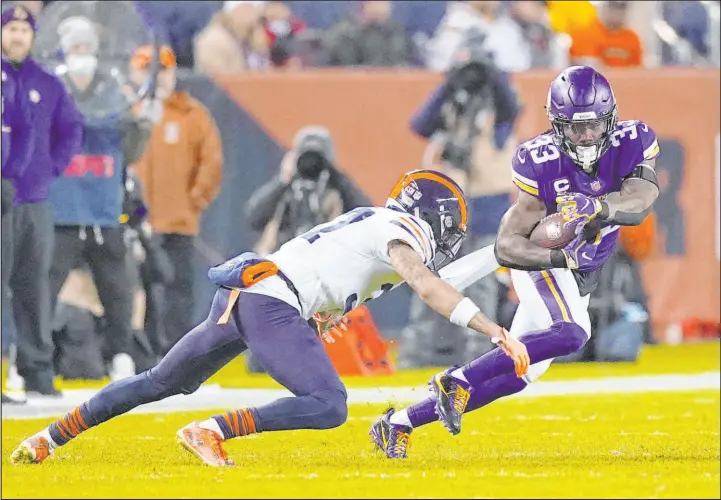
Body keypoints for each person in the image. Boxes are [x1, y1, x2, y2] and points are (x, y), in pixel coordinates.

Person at [10, 169, 529, 466]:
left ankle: (48, 438)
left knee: (160, 380)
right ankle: (212, 429)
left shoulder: (377, 223)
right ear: (434, 220)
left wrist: (499, 255)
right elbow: (426, 284)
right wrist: (492, 328)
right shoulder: (401, 233)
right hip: (271, 299)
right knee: (329, 404)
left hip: (252, 289)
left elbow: (432, 282)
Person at [370, 65, 661, 458]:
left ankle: (398, 423)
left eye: (593, 125)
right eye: (576, 128)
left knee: (518, 375)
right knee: (574, 332)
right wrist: (558, 255)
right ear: (557, 126)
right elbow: (508, 245)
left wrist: (596, 207)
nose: (587, 136)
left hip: (579, 273)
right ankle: (455, 380)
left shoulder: (633, 140)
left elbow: (640, 200)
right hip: (545, 262)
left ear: (610, 119)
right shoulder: (540, 160)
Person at [47, 16, 153, 382]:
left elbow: (132, 151)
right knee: (44, 288)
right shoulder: (50, 89)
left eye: (87, 47)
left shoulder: (115, 92)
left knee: (117, 290)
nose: (82, 54)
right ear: (64, 50)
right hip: (61, 209)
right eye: (76, 47)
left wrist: (143, 125)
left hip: (104, 209)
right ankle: (30, 360)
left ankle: (121, 356)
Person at [1, 5, 83, 397]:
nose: (17, 35)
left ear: (33, 36)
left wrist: (52, 168)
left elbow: (70, 129)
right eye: (11, 28)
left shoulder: (47, 82)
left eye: (23, 29)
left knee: (34, 285)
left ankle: (36, 370)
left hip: (34, 199)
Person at [129, 44, 223, 351]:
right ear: (134, 72)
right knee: (133, 288)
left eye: (163, 69)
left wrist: (192, 202)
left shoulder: (191, 114)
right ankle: (138, 350)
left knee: (177, 288)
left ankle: (177, 352)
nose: (157, 76)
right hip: (134, 221)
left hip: (176, 221)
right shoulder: (126, 112)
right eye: (148, 69)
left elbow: (210, 163)